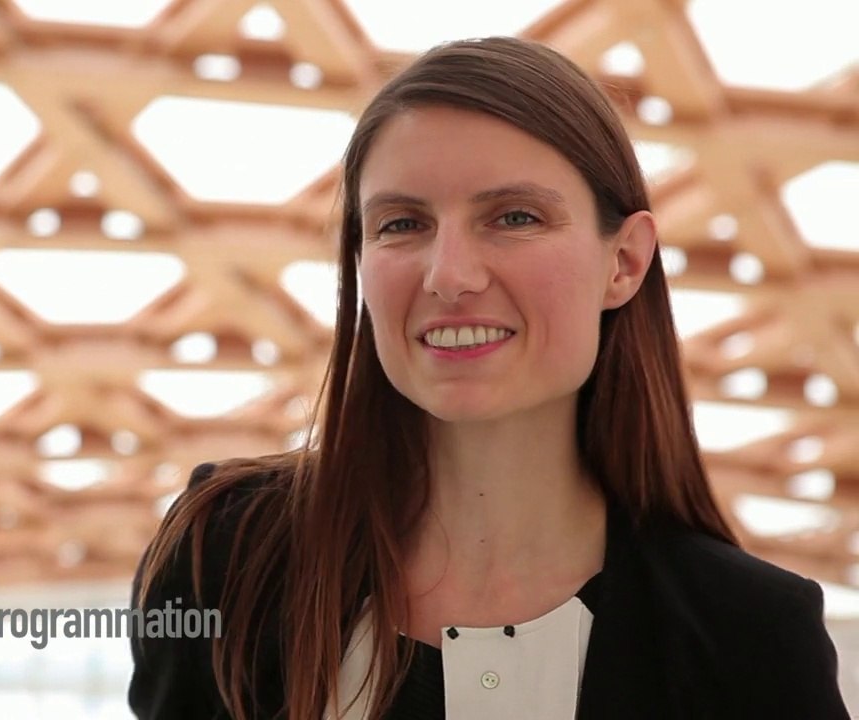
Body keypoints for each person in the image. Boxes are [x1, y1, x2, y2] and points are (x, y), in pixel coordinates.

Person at [127, 36, 849, 720]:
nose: (449, 276)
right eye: (402, 224)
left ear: (624, 262)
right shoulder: (224, 554)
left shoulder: (748, 635)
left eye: (513, 216)